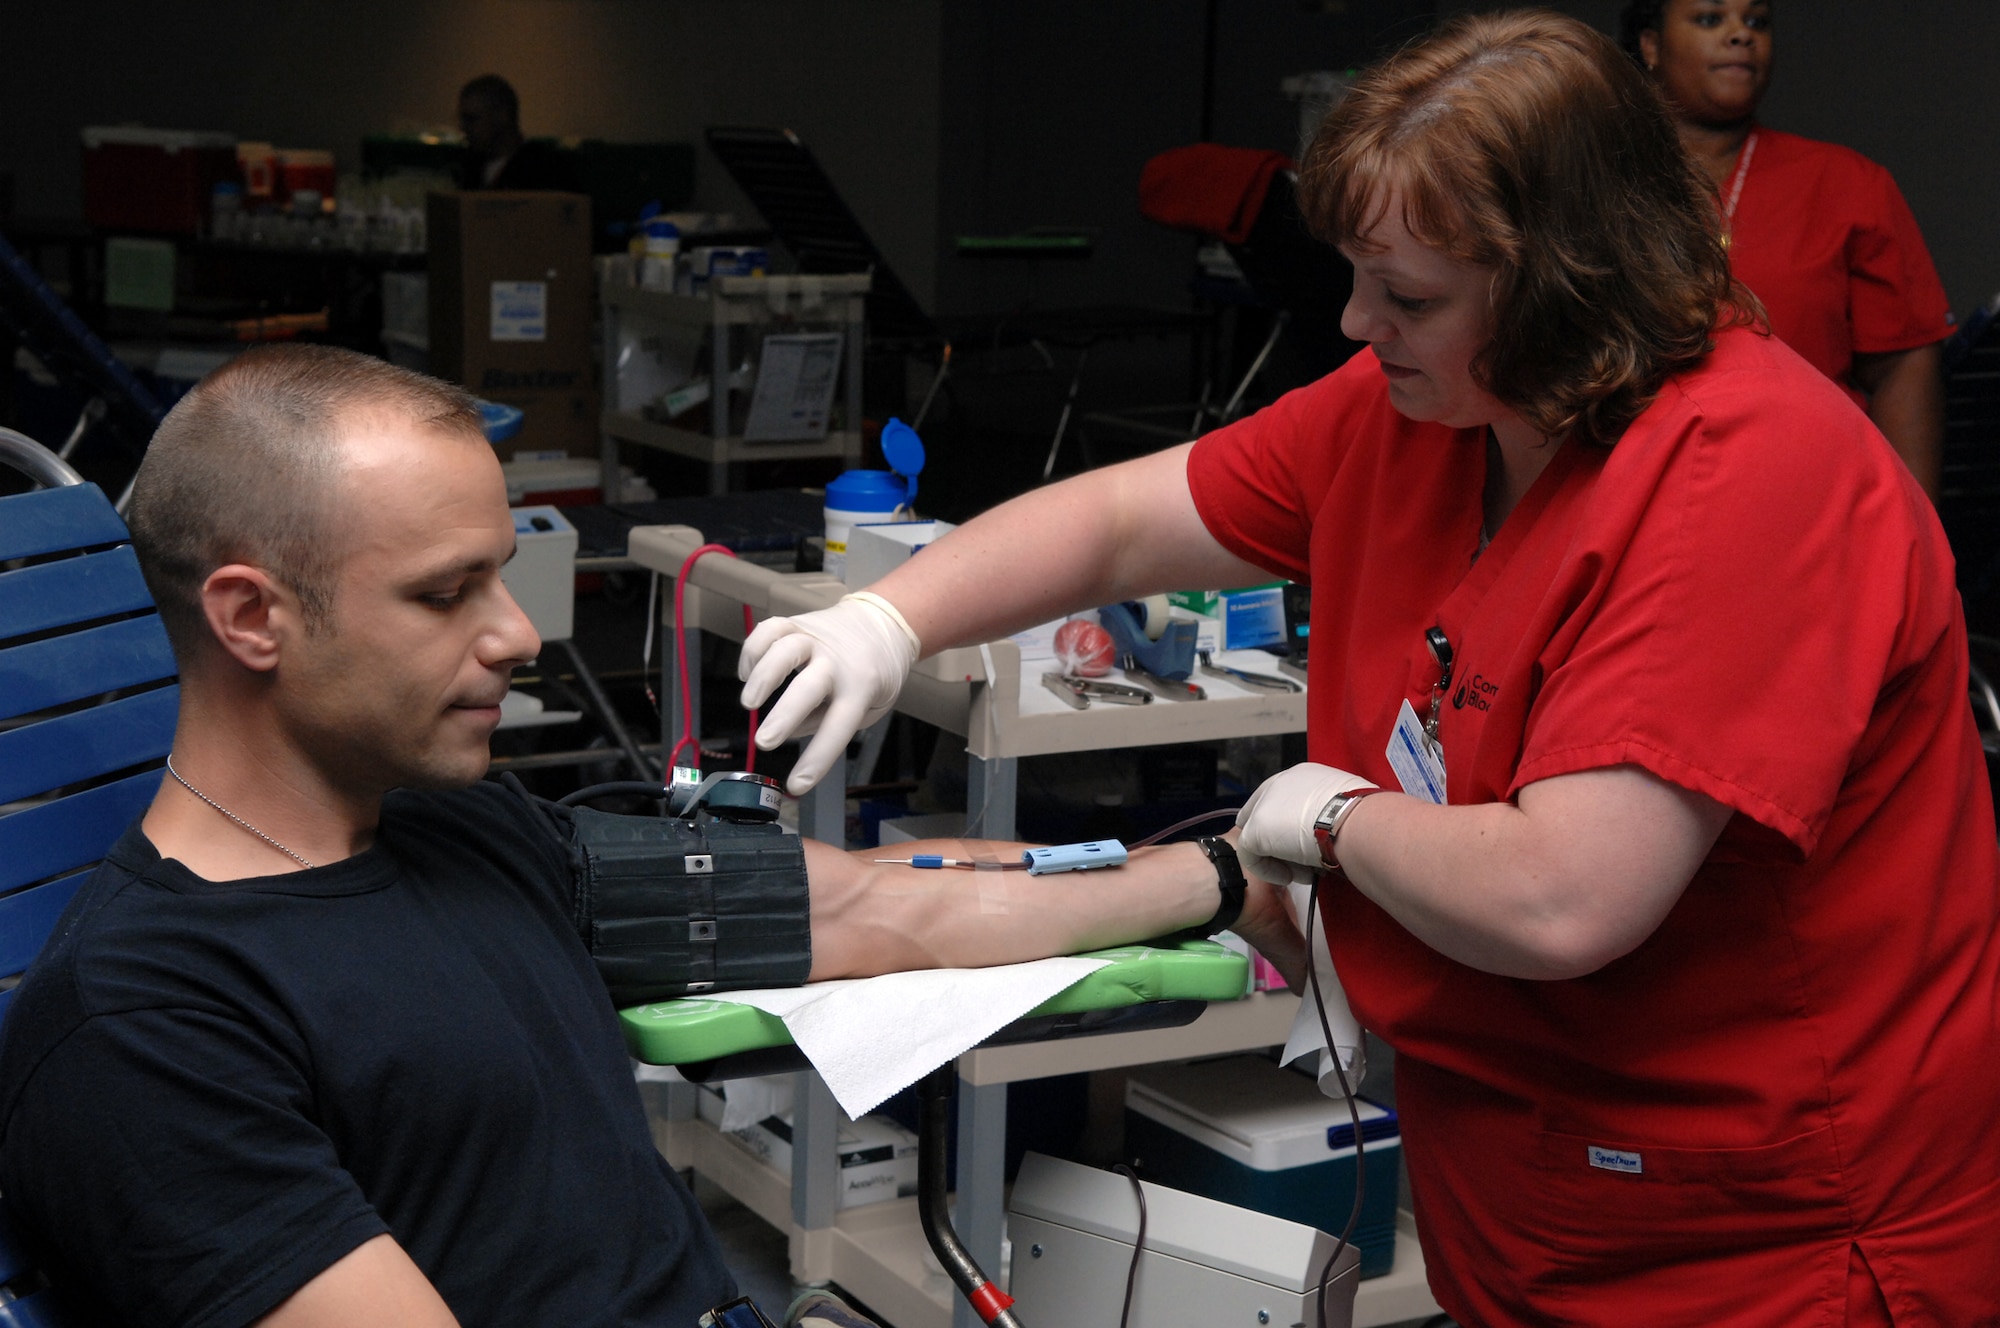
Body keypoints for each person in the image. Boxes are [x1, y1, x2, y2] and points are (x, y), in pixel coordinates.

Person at [736, 12, 2000, 1325]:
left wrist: (1336, 818)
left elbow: (1567, 898)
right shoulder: (1433, 404)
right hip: (1526, 1177)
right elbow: (1122, 521)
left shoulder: (1748, 470)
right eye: (1356, 277)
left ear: (1565, 280)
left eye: (1408, 297)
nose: (1356, 322)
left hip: (1771, 1223)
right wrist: (890, 621)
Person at [0, 345, 1294, 1328]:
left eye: (501, 573)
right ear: (250, 618)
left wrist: (1231, 871)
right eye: (447, 594)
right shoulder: (145, 1029)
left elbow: (863, 906)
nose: (516, 634)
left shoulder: (465, 831)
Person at [1623, 0, 1952, 499]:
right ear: (1650, 44)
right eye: (1710, 19)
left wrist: (1915, 539)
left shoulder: (1848, 184)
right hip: (1630, 489)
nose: (1741, 35)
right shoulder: (1600, 180)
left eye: (1756, 21)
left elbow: (1903, 374)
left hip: (1810, 495)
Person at [457, 73, 582, 192]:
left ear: (502, 116)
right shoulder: (467, 169)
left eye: (472, 119)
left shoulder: (545, 169)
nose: (464, 128)